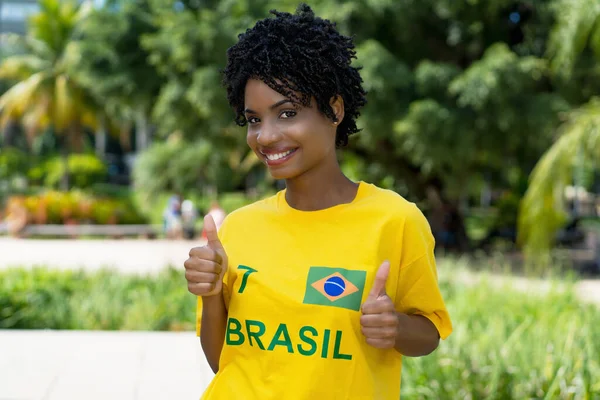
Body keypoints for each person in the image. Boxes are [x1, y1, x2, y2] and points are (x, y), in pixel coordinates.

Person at [184, 4, 452, 399]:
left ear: (335, 109)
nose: (266, 136)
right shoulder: (238, 229)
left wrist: (395, 325)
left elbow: (428, 335)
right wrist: (209, 296)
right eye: (254, 119)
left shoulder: (394, 220)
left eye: (287, 113)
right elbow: (221, 362)